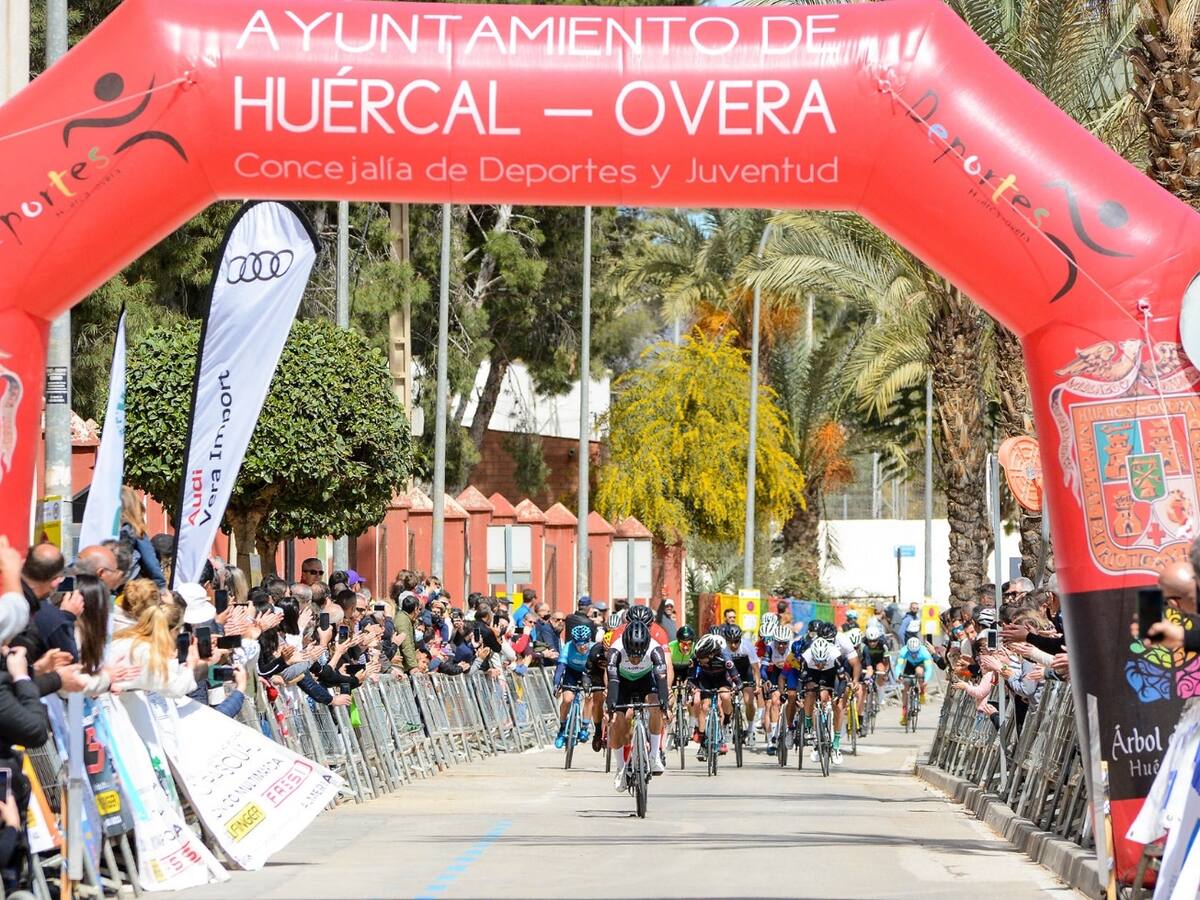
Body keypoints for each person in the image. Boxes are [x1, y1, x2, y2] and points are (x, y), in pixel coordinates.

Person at [606, 620, 668, 789]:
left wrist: (665, 706)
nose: (635, 659)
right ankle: (620, 768)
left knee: (656, 705)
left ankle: (654, 755)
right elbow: (612, 682)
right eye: (631, 655)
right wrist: (611, 708)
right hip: (622, 682)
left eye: (639, 655)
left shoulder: (655, 649)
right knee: (617, 721)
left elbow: (662, 681)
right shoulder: (615, 650)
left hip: (645, 681)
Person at [798, 631, 853, 766]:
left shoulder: (835, 656)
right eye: (817, 661)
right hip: (813, 673)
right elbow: (801, 680)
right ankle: (811, 729)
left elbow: (842, 680)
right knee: (810, 693)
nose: (820, 664)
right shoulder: (806, 657)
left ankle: (836, 743)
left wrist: (838, 695)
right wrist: (801, 694)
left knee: (838, 704)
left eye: (822, 662)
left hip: (831, 673)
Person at [690, 632, 740, 761]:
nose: (699, 660)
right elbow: (692, 677)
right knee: (704, 707)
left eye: (702, 657)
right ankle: (703, 743)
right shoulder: (697, 657)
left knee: (725, 696)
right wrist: (693, 686)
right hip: (706, 679)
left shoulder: (725, 658)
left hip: (722, 679)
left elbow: (735, 676)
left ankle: (727, 721)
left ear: (711, 654)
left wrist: (738, 686)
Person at [553, 624, 596, 748]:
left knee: (589, 696)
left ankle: (584, 727)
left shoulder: (594, 648)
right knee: (567, 699)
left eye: (585, 643)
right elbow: (560, 668)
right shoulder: (568, 647)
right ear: (573, 642)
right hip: (571, 673)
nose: (582, 647)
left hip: (588, 673)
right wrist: (556, 685)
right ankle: (562, 729)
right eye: (578, 644)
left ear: (589, 640)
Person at [721, 622, 759, 744]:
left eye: (736, 641)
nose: (733, 645)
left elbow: (755, 668)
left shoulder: (747, 646)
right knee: (726, 696)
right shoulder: (723, 648)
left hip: (745, 671)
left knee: (749, 701)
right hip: (729, 672)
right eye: (730, 642)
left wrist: (757, 685)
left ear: (740, 639)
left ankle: (751, 729)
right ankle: (728, 724)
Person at [118, 486, 164, 586]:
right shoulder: (135, 530)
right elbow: (150, 562)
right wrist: (161, 585)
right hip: (133, 587)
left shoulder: (111, 533)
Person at [896, 634, 934, 727]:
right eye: (911, 653)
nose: (913, 655)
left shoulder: (924, 652)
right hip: (909, 665)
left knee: (919, 672)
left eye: (915, 652)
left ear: (919, 649)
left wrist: (925, 681)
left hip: (920, 664)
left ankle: (922, 692)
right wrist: (898, 676)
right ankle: (904, 714)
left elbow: (929, 669)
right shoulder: (903, 651)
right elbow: (899, 666)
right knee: (906, 686)